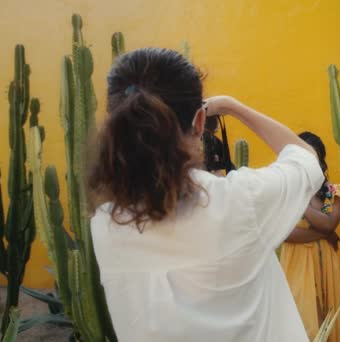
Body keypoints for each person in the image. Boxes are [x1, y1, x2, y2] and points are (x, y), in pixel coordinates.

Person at [88, 48, 324, 341]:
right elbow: (307, 160)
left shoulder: (105, 224)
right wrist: (232, 106)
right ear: (200, 122)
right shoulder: (238, 202)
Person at [280, 132, 340, 342]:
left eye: (313, 158)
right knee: (304, 325)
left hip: (329, 266)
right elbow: (286, 234)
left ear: (321, 162)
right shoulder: (283, 191)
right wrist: (324, 234)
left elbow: (329, 223)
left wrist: (301, 203)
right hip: (298, 266)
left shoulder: (332, 192)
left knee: (332, 323)